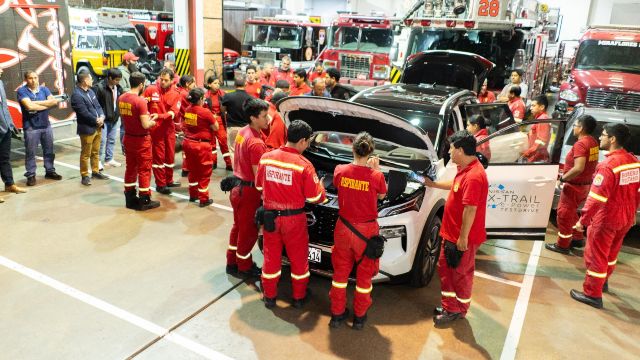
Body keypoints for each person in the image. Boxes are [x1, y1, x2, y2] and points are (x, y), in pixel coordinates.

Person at [257, 120, 326, 309]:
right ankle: (298, 297)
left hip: (270, 217)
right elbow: (316, 197)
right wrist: (320, 185)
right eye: (308, 142)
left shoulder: (266, 158)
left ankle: (269, 297)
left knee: (271, 258)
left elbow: (258, 186)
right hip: (294, 220)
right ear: (302, 141)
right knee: (298, 259)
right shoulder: (304, 165)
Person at [422, 131, 489, 325]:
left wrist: (462, 238)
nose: (449, 152)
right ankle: (449, 305)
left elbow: (470, 210)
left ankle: (457, 310)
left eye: (451, 148)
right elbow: (456, 185)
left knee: (460, 274)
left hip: (461, 237)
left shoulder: (475, 176)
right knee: (447, 270)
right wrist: (434, 184)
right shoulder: (466, 169)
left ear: (460, 150)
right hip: (452, 233)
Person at [571, 124, 640, 309]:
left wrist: (582, 221)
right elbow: (637, 192)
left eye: (602, 135)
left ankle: (592, 294)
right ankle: (604, 281)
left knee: (596, 255)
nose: (599, 138)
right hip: (625, 218)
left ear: (612, 139)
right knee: (610, 254)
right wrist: (632, 213)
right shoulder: (634, 161)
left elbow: (595, 199)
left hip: (607, 218)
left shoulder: (608, 166)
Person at [329, 132, 387, 330]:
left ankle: (336, 315)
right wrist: (375, 169)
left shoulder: (340, 170)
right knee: (364, 277)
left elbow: (337, 185)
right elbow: (381, 196)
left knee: (340, 274)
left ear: (352, 148)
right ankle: (359, 318)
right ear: (371, 152)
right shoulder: (376, 176)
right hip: (367, 232)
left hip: (344, 228)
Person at [226, 98, 270, 278]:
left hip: (237, 188)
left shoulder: (242, 132)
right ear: (253, 118)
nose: (268, 119)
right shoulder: (256, 143)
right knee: (249, 232)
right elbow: (258, 175)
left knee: (238, 227)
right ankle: (244, 266)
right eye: (264, 116)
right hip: (250, 192)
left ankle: (231, 262)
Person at [546, 115, 599, 255]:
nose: (575, 127)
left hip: (574, 185)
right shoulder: (593, 142)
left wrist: (562, 179)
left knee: (563, 214)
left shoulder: (581, 144)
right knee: (572, 212)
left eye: (575, 125)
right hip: (584, 185)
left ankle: (562, 245)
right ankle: (577, 238)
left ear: (581, 128)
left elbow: (578, 168)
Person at [119, 72, 160, 211]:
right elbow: (145, 125)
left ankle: (130, 198)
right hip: (141, 140)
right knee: (144, 169)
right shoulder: (140, 101)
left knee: (130, 168)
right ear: (141, 84)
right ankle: (144, 198)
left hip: (128, 137)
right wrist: (153, 121)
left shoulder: (122, 98)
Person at [17, 71, 64, 186]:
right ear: (26, 80)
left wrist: (36, 103)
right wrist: (45, 104)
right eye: (30, 78)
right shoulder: (22, 91)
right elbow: (29, 106)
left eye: (35, 77)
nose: (33, 80)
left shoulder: (44, 89)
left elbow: (54, 102)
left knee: (49, 150)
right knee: (31, 152)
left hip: (46, 125)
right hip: (31, 127)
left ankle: (50, 171)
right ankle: (31, 175)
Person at [143, 68, 182, 194]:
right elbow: (143, 105)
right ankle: (160, 184)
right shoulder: (150, 90)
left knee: (170, 156)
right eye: (161, 79)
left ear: (172, 81)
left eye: (166, 80)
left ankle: (169, 180)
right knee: (159, 157)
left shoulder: (176, 94)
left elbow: (173, 113)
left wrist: (160, 116)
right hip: (155, 129)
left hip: (169, 129)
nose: (162, 82)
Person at [182, 87, 219, 207]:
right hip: (201, 145)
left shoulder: (187, 109)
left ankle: (193, 195)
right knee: (204, 172)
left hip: (188, 143)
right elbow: (216, 127)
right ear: (201, 99)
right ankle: (204, 199)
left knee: (192, 170)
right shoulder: (205, 112)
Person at [71, 71, 108, 186]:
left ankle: (95, 171)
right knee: (86, 153)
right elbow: (83, 113)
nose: (92, 81)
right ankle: (84, 175)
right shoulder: (76, 95)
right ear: (85, 81)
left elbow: (98, 106)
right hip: (87, 128)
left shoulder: (91, 91)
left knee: (95, 151)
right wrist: (96, 120)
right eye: (91, 79)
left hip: (98, 126)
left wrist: (102, 116)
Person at [0, 68, 27, 201]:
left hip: (5, 128)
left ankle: (9, 184)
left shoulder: (0, 83)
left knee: (5, 159)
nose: (2, 69)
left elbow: (4, 106)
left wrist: (10, 124)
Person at [93, 68, 123, 169]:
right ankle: (97, 161)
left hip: (114, 118)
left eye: (119, 80)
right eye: (116, 80)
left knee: (111, 140)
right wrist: (99, 117)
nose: (118, 82)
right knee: (101, 141)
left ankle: (109, 159)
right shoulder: (100, 88)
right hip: (104, 120)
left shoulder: (118, 88)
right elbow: (95, 105)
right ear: (110, 78)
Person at [205, 76, 233, 171]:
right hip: (209, 121)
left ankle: (229, 164)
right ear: (209, 84)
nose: (217, 85)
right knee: (211, 143)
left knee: (223, 141)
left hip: (220, 120)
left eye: (218, 83)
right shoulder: (205, 96)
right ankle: (213, 162)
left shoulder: (223, 94)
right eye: (215, 83)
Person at [118, 52, 139, 153]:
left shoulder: (131, 70)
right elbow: (123, 89)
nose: (136, 62)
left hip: (133, 100)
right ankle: (124, 148)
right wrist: (136, 89)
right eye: (133, 61)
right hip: (125, 102)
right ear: (127, 61)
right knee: (124, 125)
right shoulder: (121, 72)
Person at [522, 95, 551, 163]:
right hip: (536, 155)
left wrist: (528, 152)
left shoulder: (542, 120)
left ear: (542, 107)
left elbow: (541, 141)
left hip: (536, 157)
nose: (531, 108)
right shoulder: (540, 118)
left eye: (533, 106)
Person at [176, 75, 196, 177]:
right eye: (194, 83)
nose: (195, 85)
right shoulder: (186, 94)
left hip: (183, 121)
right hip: (187, 122)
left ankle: (186, 168)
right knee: (188, 146)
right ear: (187, 84)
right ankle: (186, 168)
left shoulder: (180, 92)